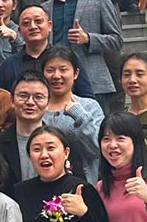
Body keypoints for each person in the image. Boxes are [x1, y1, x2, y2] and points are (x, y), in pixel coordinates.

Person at [40, 0, 122, 109]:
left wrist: (89, 39)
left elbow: (116, 41)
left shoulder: (99, 0)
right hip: (54, 83)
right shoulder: (44, 8)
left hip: (93, 82)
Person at [0, 5, 93, 99]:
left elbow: (87, 98)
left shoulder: (67, 58)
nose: (33, 27)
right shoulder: (8, 65)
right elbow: (2, 104)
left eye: (38, 21)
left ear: (49, 26)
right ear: (19, 31)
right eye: (26, 23)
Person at [40, 46, 104, 184]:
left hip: (83, 184)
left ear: (75, 73)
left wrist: (80, 116)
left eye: (63, 70)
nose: (56, 76)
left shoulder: (89, 106)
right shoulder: (36, 109)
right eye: (50, 70)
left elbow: (98, 149)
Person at [0, 72, 53, 192]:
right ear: (12, 100)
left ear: (48, 103)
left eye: (38, 97)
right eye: (23, 96)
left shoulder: (60, 143)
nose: (30, 102)